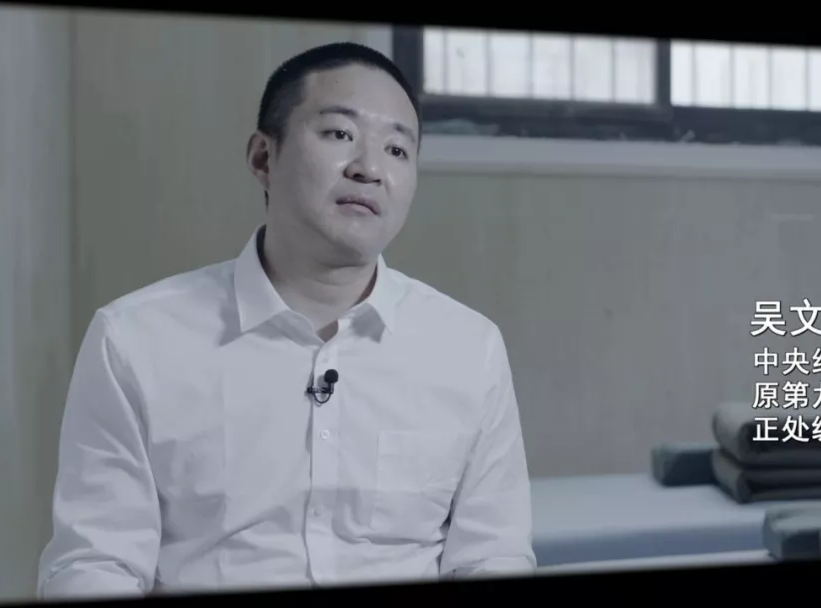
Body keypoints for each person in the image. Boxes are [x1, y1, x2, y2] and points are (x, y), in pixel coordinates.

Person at [37, 42, 536, 598]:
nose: (370, 169)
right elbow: (95, 562)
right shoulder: (135, 339)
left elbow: (492, 555)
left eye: (397, 149)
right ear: (262, 157)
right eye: (340, 134)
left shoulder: (468, 347)